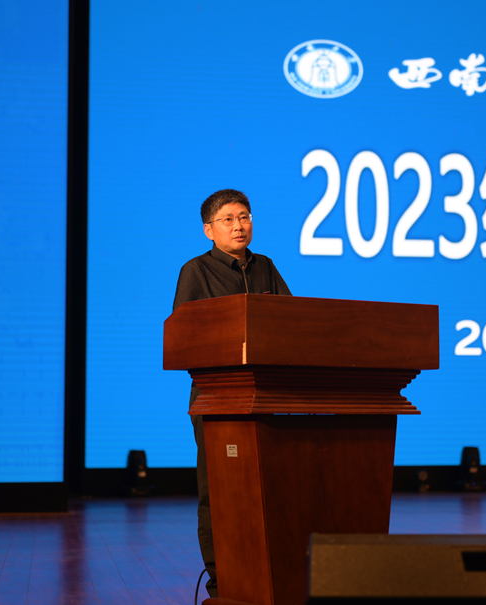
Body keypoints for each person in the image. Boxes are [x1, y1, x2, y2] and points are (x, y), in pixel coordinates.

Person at [172, 189, 291, 597]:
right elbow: (184, 337)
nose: (239, 226)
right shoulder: (196, 271)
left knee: (267, 490)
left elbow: (291, 322)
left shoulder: (266, 267)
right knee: (219, 492)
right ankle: (222, 581)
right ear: (209, 229)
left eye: (245, 217)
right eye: (228, 219)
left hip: (264, 397)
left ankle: (267, 575)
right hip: (217, 396)